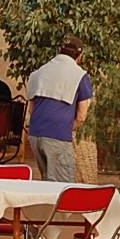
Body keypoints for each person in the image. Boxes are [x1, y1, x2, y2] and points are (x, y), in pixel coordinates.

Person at [25, 36, 93, 182]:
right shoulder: (79, 75)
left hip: (35, 135)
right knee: (63, 186)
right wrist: (67, 128)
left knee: (47, 182)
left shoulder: (39, 72)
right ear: (80, 56)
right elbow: (81, 115)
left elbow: (32, 108)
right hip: (57, 135)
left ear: (59, 51)